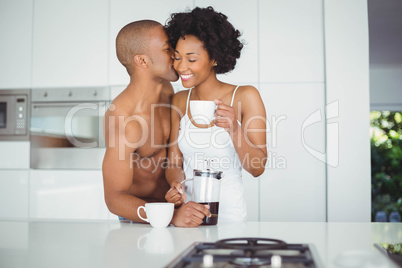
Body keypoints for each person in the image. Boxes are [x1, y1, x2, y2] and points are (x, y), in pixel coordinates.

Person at [102, 20, 211, 227]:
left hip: (177, 212)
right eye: (168, 48)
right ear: (142, 61)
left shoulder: (167, 91)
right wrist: (168, 217)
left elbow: (173, 158)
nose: (176, 54)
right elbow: (114, 198)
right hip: (142, 220)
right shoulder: (123, 119)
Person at [164, 7, 267, 223]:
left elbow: (257, 168)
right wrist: (176, 185)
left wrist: (234, 128)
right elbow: (174, 163)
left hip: (230, 218)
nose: (182, 67)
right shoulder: (179, 100)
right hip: (189, 218)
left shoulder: (245, 96)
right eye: (177, 57)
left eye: (191, 60)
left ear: (215, 59)